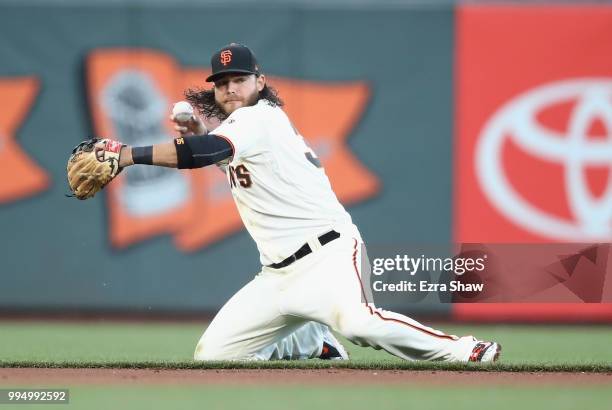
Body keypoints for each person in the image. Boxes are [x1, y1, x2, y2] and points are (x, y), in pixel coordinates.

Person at [115, 43, 502, 362]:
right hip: (276, 276)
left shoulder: (259, 117)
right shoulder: (246, 128)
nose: (230, 88)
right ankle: (315, 342)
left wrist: (126, 156)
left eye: (239, 79)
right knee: (213, 358)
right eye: (222, 82)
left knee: (360, 325)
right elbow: (230, 162)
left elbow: (204, 152)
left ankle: (464, 349)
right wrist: (201, 133)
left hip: (328, 256)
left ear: (260, 82)